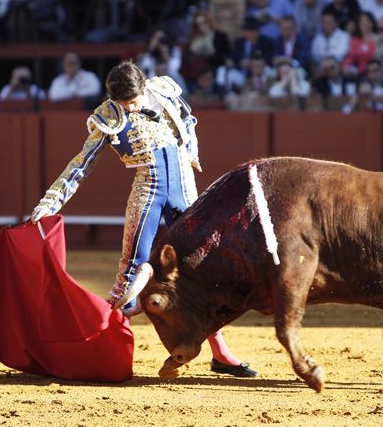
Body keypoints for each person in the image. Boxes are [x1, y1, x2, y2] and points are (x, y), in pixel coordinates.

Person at [31, 61, 257, 378]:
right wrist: (50, 202)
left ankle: (221, 355)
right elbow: (80, 165)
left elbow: (188, 121)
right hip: (148, 191)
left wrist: (192, 150)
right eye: (123, 105)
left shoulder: (162, 90)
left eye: (133, 102)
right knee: (130, 274)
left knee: (201, 274)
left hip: (184, 189)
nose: (130, 109)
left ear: (143, 88)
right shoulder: (107, 117)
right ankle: (97, 351)